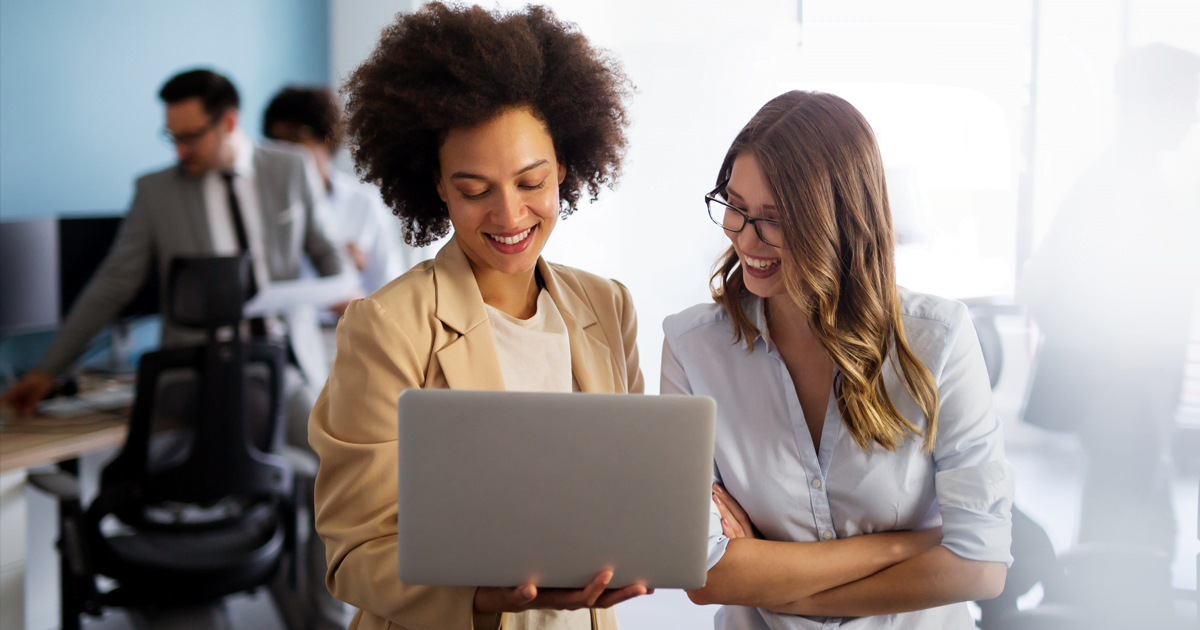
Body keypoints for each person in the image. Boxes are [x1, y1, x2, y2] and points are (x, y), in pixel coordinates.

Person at [308, 4, 649, 630]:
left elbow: (622, 490)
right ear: (437, 184)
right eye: (473, 190)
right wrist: (492, 598)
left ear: (565, 167)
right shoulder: (386, 327)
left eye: (531, 181)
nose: (509, 214)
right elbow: (355, 553)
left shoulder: (608, 306)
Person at [0, 68, 349, 630]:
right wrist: (47, 369)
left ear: (228, 122)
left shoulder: (289, 170)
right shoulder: (156, 192)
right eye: (172, 137)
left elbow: (335, 265)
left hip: (281, 367)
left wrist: (303, 294)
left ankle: (319, 617)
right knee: (175, 490)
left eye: (190, 136)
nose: (179, 149)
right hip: (193, 381)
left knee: (334, 479)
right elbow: (113, 285)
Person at [664, 91, 1013, 628]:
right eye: (734, 207)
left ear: (841, 220)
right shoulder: (692, 349)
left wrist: (785, 589)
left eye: (774, 218)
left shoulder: (938, 340)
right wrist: (901, 548)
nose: (745, 238)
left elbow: (980, 568)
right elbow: (707, 575)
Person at [1020, 44, 1200, 623]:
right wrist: (1112, 362)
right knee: (1125, 533)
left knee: (1140, 521)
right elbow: (1048, 284)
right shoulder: (1117, 185)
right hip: (1126, 390)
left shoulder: (1137, 178)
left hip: (1140, 387)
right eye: (1184, 100)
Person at [263, 87, 422, 307]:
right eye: (277, 142)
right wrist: (337, 263)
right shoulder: (265, 204)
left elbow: (391, 285)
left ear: (326, 138)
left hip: (354, 328)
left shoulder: (363, 202)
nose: (288, 152)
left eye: (296, 138)